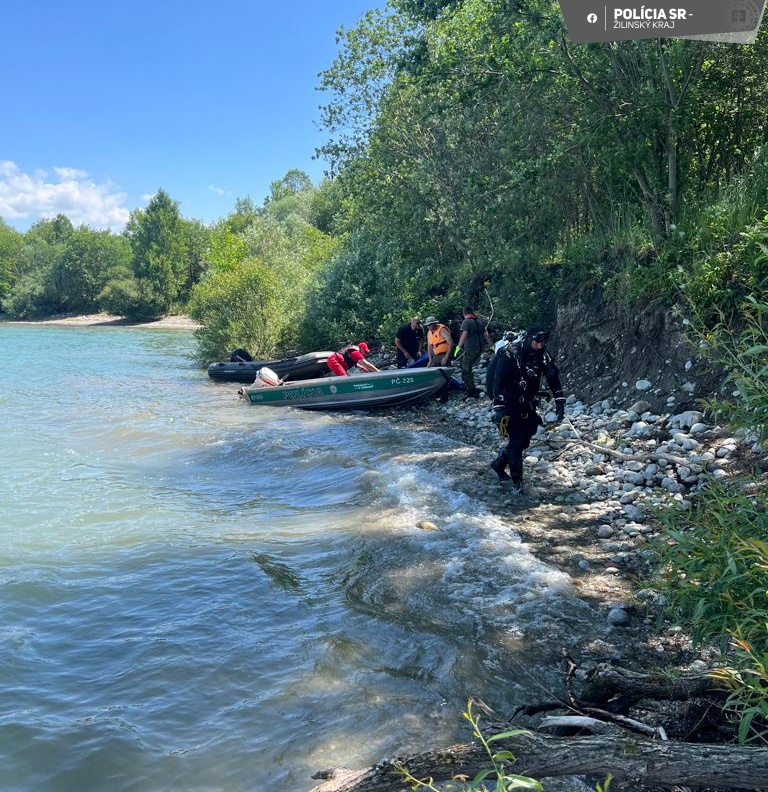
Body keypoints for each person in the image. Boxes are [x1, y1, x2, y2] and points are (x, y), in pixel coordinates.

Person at [490, 326, 566, 491]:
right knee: (516, 442)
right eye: (537, 342)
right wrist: (499, 407)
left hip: (528, 402)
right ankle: (518, 485)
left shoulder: (542, 355)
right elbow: (497, 379)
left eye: (542, 343)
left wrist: (560, 401)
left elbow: (553, 377)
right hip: (509, 403)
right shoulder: (511, 353)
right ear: (529, 339)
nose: (540, 346)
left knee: (525, 440)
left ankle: (498, 464)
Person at [453, 306, 493, 397]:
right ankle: (471, 387)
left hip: (471, 349)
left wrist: (458, 348)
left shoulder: (466, 322)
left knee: (465, 369)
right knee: (468, 367)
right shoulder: (479, 322)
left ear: (464, 313)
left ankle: (471, 391)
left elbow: (464, 335)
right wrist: (492, 347)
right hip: (479, 349)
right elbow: (487, 336)